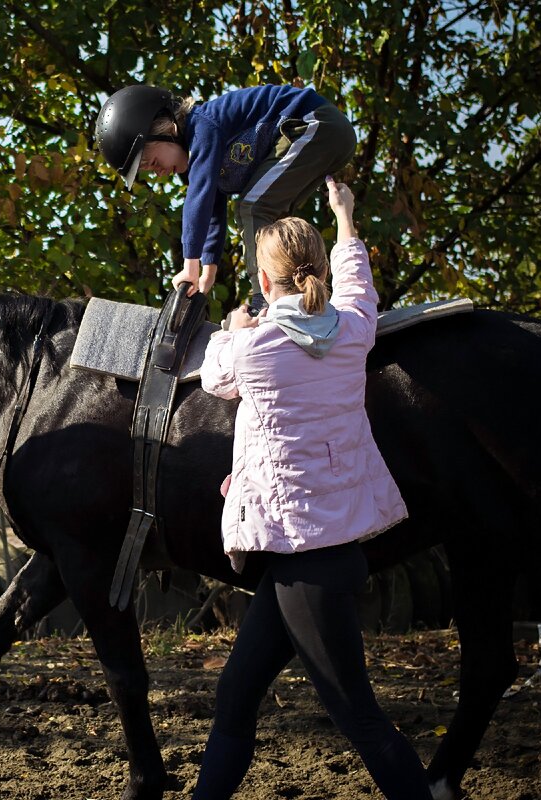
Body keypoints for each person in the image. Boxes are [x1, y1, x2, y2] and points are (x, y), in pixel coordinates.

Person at [192, 177, 431, 799]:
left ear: (265, 284)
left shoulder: (253, 347)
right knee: (236, 694)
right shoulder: (353, 330)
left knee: (362, 719)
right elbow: (357, 285)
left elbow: (213, 373)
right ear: (317, 270)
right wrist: (345, 216)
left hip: (310, 562)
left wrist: (234, 324)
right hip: (322, 556)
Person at [94, 83, 356, 311]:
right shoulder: (199, 159)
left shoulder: (202, 127)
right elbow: (212, 215)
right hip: (325, 135)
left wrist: (190, 265)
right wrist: (207, 274)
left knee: (252, 207)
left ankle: (264, 299)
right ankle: (296, 290)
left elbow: (200, 198)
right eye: (150, 171)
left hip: (316, 124)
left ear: (166, 129)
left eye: (152, 162)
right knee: (272, 221)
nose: (159, 172)